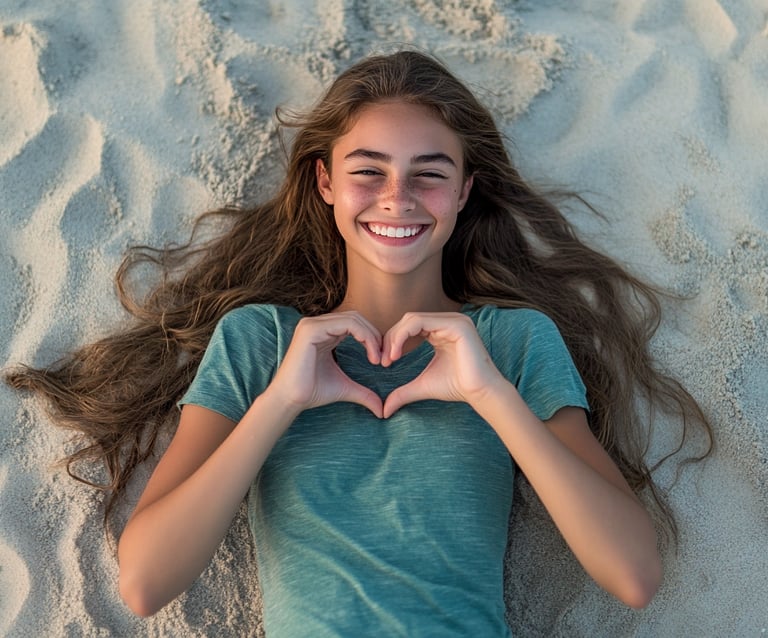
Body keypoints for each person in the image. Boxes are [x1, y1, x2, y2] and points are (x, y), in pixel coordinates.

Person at [6, 50, 712, 635]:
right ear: (325, 182)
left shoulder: (513, 340)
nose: (397, 197)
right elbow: (146, 582)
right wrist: (281, 401)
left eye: (429, 174)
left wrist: (490, 394)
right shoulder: (259, 341)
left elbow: (634, 574)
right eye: (369, 170)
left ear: (464, 192)